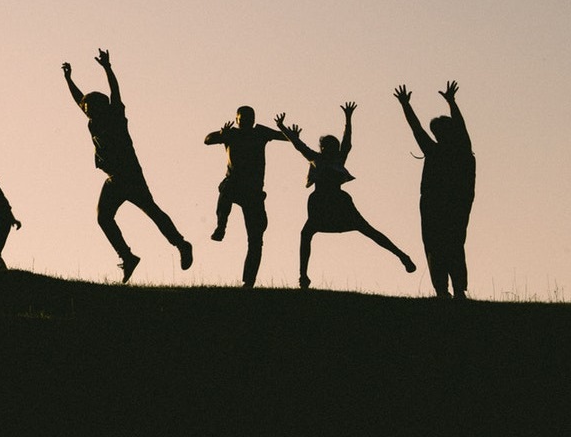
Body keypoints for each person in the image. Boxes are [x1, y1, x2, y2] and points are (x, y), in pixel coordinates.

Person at [62, 48, 192, 283]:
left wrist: (108, 68)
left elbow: (115, 92)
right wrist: (69, 79)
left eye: (89, 108)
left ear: (100, 107)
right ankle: (128, 256)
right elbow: (78, 99)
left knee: (152, 211)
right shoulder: (93, 120)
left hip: (130, 175)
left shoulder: (115, 115)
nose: (85, 111)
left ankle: (181, 244)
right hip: (113, 178)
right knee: (104, 218)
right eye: (85, 109)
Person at [275, 103, 415, 289]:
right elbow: (299, 145)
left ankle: (402, 256)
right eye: (329, 146)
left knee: (367, 230)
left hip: (338, 201)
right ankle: (303, 277)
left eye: (334, 146)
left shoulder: (338, 158)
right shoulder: (317, 158)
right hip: (321, 202)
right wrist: (283, 128)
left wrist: (348, 119)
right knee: (306, 233)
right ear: (323, 148)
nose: (332, 149)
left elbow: (347, 141)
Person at [394, 81, 476, 300]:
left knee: (440, 246)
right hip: (448, 205)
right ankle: (452, 289)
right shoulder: (461, 152)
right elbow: (420, 129)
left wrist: (406, 105)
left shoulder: (447, 151)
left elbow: (418, 129)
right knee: (451, 245)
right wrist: (451, 102)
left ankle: (448, 290)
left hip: (442, 205)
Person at [203, 106, 289, 287]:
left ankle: (249, 281)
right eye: (243, 120)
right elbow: (207, 140)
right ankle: (221, 226)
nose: (246, 124)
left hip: (254, 192)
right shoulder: (231, 134)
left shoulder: (260, 132)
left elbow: (287, 138)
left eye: (249, 120)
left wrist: (284, 128)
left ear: (254, 120)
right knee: (225, 189)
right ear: (236, 120)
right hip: (234, 183)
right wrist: (221, 133)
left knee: (256, 238)